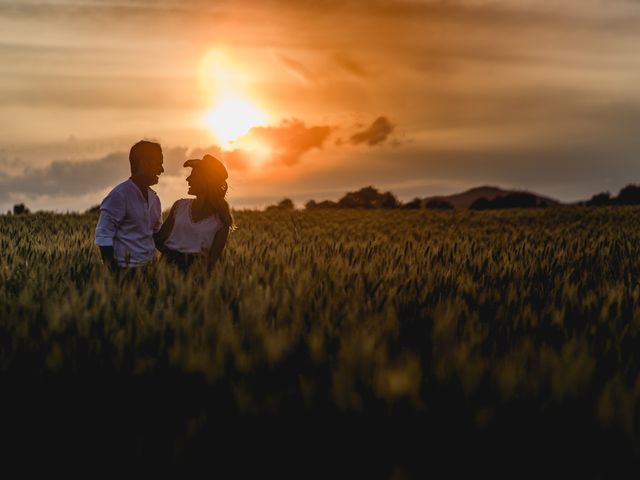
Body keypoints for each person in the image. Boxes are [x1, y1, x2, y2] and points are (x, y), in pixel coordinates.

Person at [154, 154, 232, 272]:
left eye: (193, 175)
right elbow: (159, 239)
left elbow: (210, 263)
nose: (188, 179)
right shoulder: (179, 206)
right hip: (166, 271)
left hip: (194, 277)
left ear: (207, 181)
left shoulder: (221, 221)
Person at [94, 140, 164, 269]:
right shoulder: (119, 195)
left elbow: (158, 236)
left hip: (149, 273)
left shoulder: (155, 200)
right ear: (144, 164)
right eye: (158, 164)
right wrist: (115, 274)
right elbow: (103, 236)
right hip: (125, 272)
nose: (162, 170)